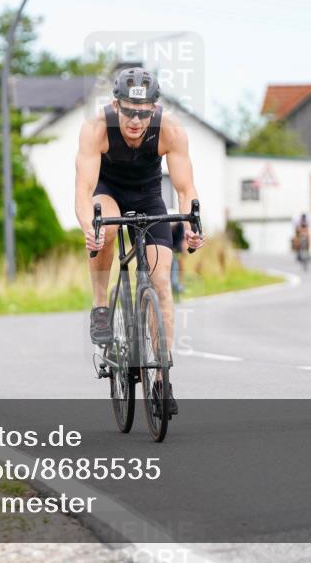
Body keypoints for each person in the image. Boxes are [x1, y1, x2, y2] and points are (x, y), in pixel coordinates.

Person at [75, 67, 204, 415]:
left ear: (154, 109)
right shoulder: (96, 128)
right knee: (108, 228)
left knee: (161, 283)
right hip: (109, 193)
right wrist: (91, 226)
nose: (135, 120)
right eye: (129, 111)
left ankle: (162, 380)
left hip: (149, 196)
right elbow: (84, 191)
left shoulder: (170, 130)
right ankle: (102, 305)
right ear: (115, 105)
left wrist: (191, 225)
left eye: (143, 112)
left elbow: (184, 188)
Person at [170, 222, 186, 296]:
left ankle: (181, 286)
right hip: (170, 248)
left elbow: (182, 240)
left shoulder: (180, 225)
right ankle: (175, 288)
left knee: (179, 267)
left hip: (177, 249)